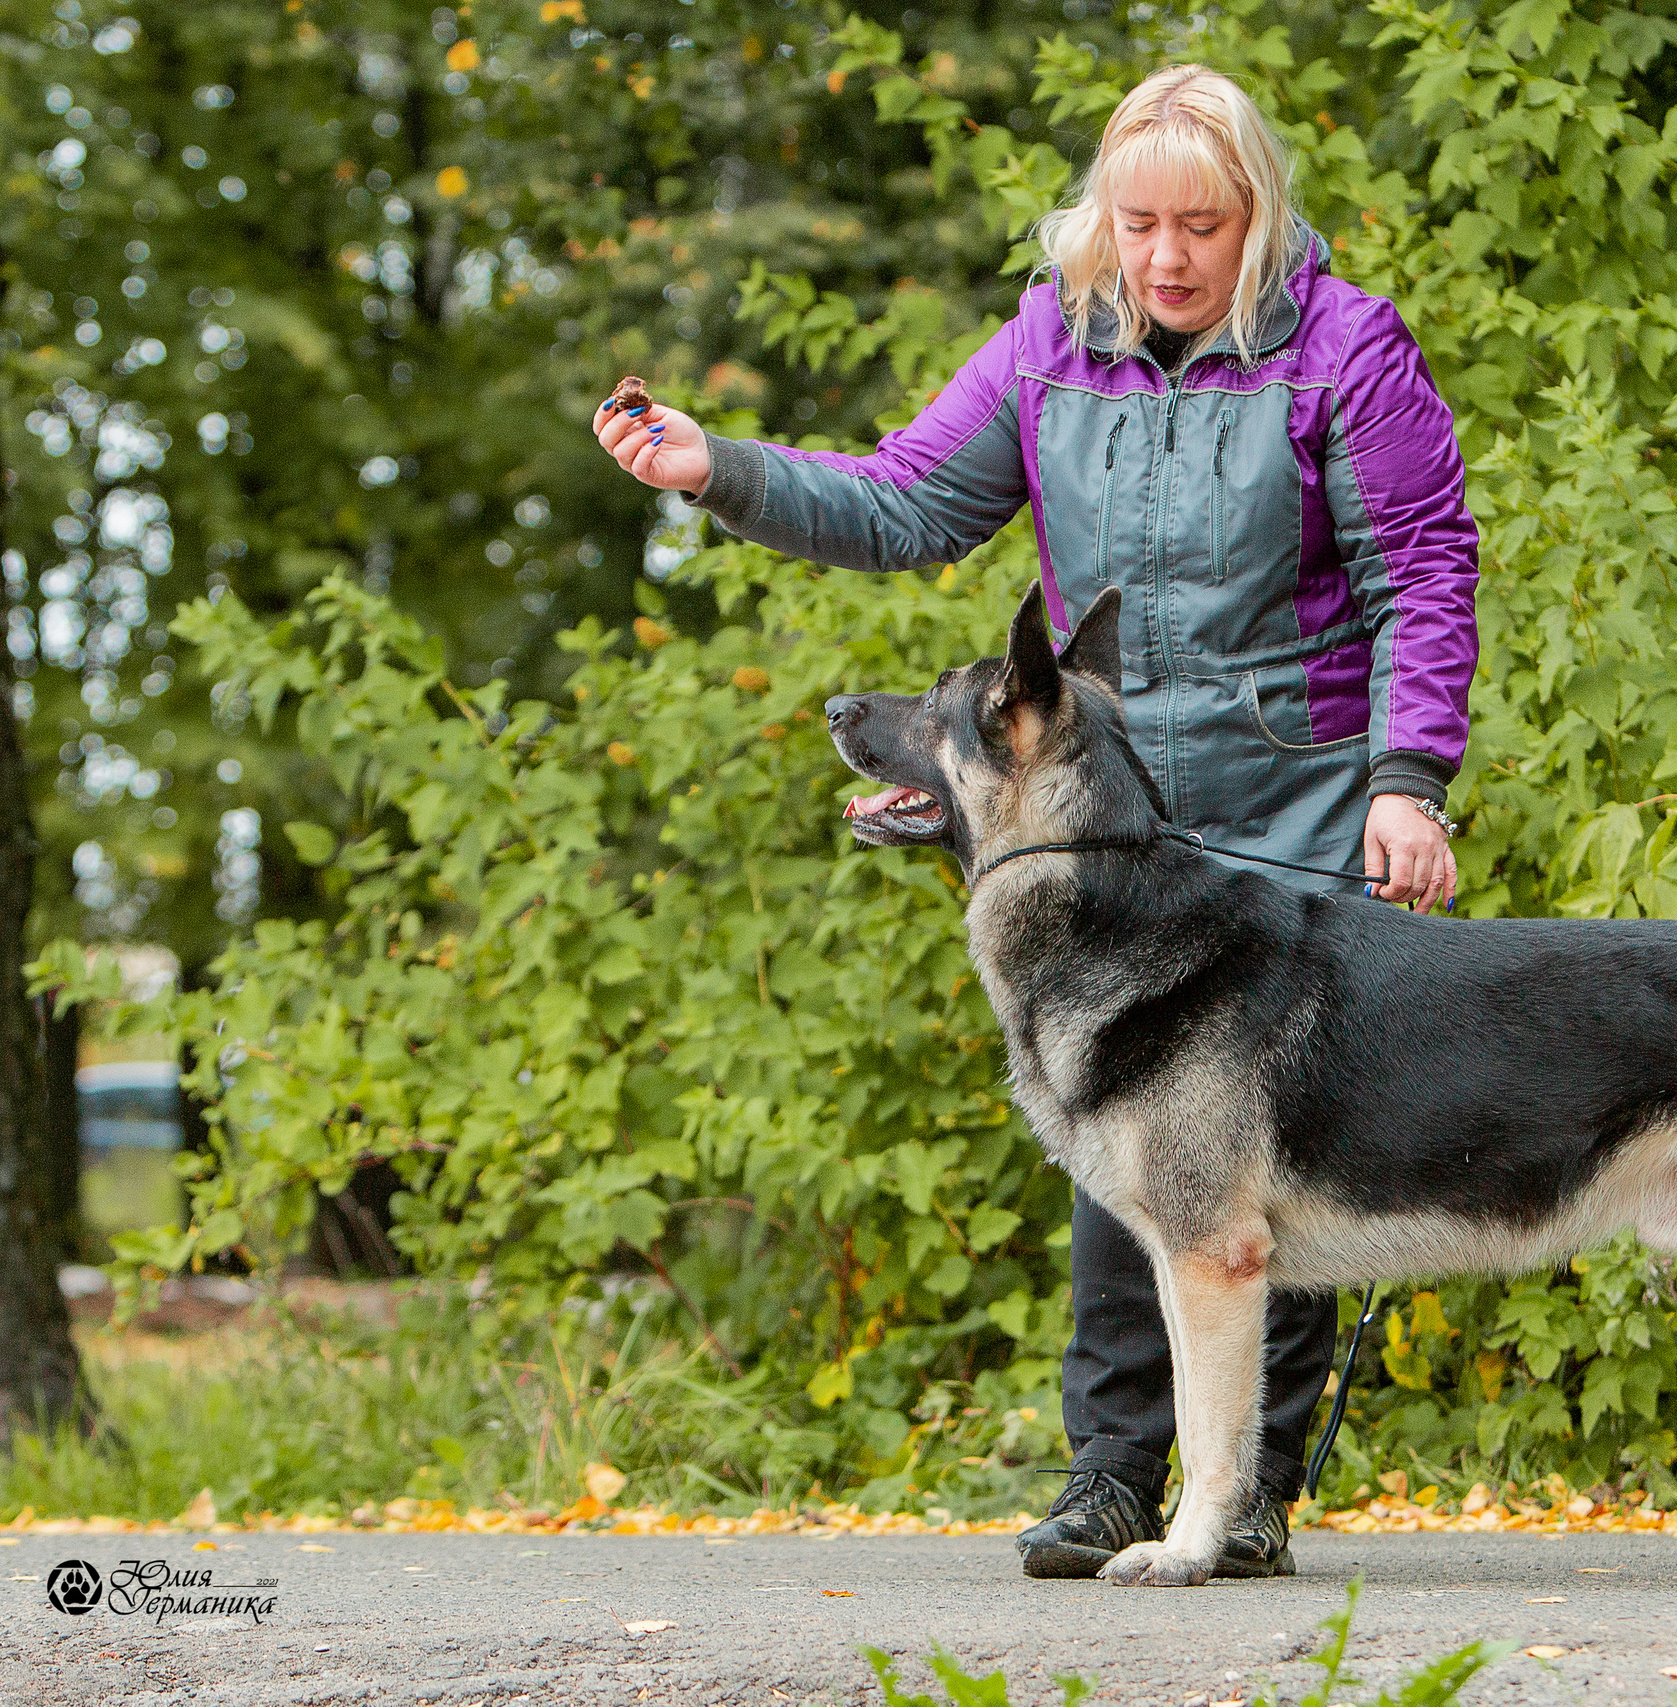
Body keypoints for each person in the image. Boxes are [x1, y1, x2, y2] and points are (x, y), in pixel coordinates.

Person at [594, 63, 1478, 1580]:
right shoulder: (1049, 342)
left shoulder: (1347, 348)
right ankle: (1114, 1477)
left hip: (1292, 794)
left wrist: (1410, 779)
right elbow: (906, 502)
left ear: (1260, 218)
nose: (1165, 259)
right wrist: (716, 470)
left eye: (1201, 226)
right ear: (1101, 221)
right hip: (1098, 813)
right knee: (1120, 1143)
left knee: (1271, 1151)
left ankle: (1246, 1496)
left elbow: (1422, 569)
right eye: (1138, 225)